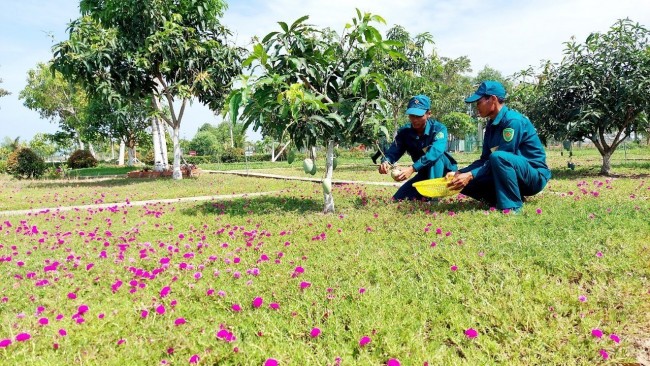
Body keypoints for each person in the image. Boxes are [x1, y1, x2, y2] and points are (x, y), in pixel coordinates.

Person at [447, 80, 551, 213]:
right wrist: (460, 173)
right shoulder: (491, 125)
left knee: (498, 157)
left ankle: (512, 207)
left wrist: (471, 174)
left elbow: (503, 157)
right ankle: (504, 198)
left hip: (533, 177)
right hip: (511, 174)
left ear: (493, 99)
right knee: (461, 183)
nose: (476, 107)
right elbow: (485, 159)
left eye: (479, 102)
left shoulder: (513, 121)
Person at [378, 94, 457, 201]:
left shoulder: (439, 129)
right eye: (411, 115)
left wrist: (412, 168)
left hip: (445, 174)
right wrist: (386, 161)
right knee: (398, 199)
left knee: (435, 157)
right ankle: (427, 195)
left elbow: (435, 152)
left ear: (429, 114)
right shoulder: (405, 132)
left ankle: (433, 199)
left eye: (419, 116)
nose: (414, 119)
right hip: (424, 173)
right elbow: (394, 151)